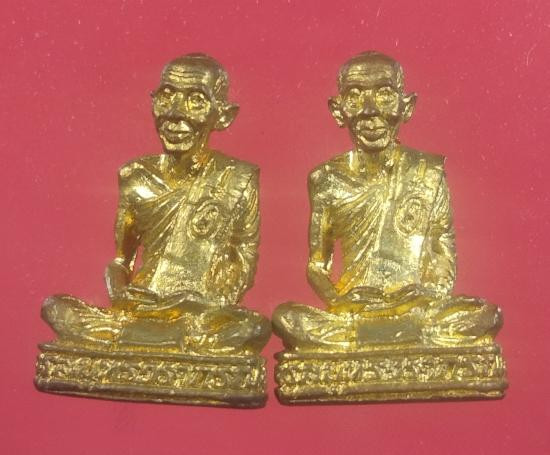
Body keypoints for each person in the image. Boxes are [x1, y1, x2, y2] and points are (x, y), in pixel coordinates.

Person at [42, 54, 270, 355]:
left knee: (254, 327)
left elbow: (243, 257)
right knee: (56, 308)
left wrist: (206, 302)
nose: (175, 112)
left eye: (196, 100)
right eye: (166, 96)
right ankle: (163, 337)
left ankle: (142, 339)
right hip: (140, 306)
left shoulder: (238, 177)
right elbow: (121, 261)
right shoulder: (135, 176)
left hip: (198, 312)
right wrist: (120, 293)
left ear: (224, 115)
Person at [273, 51, 502, 350]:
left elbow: (441, 248)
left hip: (414, 306)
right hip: (354, 308)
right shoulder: (326, 178)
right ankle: (400, 336)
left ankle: (377, 337)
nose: (370, 111)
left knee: (486, 316)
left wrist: (429, 294)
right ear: (338, 110)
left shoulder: (428, 172)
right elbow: (317, 265)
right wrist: (338, 300)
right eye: (355, 96)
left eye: (384, 95)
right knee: (286, 318)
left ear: (407, 106)